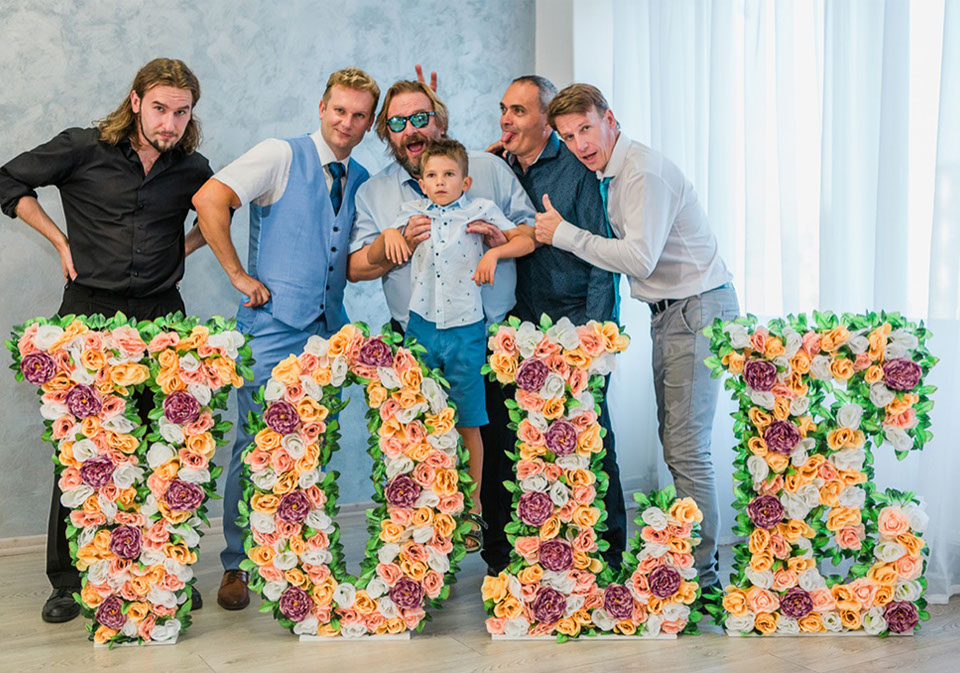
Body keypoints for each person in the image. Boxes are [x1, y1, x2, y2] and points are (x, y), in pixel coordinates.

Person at [0, 57, 212, 623]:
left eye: (182, 112)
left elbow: (220, 212)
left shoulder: (193, 167)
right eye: (160, 109)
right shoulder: (83, 147)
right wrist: (59, 241)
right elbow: (8, 179)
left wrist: (179, 252)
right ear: (136, 100)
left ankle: (162, 573)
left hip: (163, 319)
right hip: (89, 313)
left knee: (161, 449)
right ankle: (68, 581)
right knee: (80, 453)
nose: (169, 123)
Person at [536, 83, 739, 589]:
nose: (580, 144)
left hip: (696, 309)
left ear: (610, 119)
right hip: (673, 313)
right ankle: (690, 569)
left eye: (586, 128)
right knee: (677, 444)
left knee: (686, 450)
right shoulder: (611, 170)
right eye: (568, 136)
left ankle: (702, 581)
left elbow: (639, 258)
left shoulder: (641, 172)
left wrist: (564, 234)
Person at [191, 67, 380, 610]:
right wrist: (236, 274)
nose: (346, 122)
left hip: (327, 332)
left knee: (312, 446)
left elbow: (350, 259)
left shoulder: (362, 177)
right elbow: (209, 199)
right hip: (272, 328)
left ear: (369, 123)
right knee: (255, 446)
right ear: (322, 108)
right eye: (339, 110)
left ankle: (297, 557)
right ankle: (236, 564)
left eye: (359, 115)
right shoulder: (280, 154)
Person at [346, 79, 536, 549]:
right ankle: (421, 562)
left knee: (496, 448)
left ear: (440, 121)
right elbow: (355, 267)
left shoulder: (487, 171)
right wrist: (390, 245)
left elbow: (531, 230)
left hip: (488, 338)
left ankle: (497, 556)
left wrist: (499, 244)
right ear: (386, 133)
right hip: (417, 333)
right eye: (397, 122)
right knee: (418, 444)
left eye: (420, 117)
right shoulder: (376, 193)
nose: (410, 129)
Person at [480, 75, 626, 574]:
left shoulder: (578, 168)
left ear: (548, 120)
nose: (506, 119)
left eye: (519, 111)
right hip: (514, 331)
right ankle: (516, 557)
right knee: (515, 443)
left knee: (588, 440)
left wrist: (595, 337)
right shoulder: (497, 167)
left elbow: (605, 256)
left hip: (574, 325)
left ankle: (607, 555)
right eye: (504, 109)